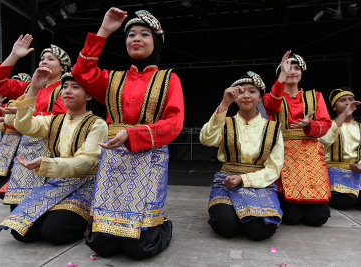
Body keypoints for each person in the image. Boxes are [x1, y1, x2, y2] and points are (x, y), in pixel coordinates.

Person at [72, 8, 184, 259]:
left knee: (138, 248)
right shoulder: (112, 79)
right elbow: (82, 73)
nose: (136, 38)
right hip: (114, 158)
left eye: (145, 34)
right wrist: (104, 31)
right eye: (131, 34)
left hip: (149, 157)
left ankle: (163, 225)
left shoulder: (169, 79)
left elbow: (174, 123)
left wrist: (134, 135)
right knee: (102, 245)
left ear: (156, 42)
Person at [0, 70, 107, 245]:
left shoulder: (97, 124)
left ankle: (85, 221)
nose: (67, 91)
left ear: (88, 96)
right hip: (55, 184)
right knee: (21, 233)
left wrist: (47, 164)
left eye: (75, 87)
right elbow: (24, 125)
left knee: (55, 233)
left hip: (83, 185)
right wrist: (33, 88)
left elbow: (85, 162)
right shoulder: (54, 120)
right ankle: (55, 215)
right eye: (64, 87)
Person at [200, 72, 284, 240]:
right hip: (227, 182)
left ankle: (244, 218)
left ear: (260, 97)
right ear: (235, 97)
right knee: (226, 227)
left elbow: (274, 168)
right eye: (241, 91)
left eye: (252, 91)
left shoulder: (273, 128)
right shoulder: (225, 122)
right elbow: (206, 139)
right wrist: (224, 103)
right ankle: (238, 216)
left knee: (260, 232)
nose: (246, 95)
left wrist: (243, 179)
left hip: (259, 184)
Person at [0, 34, 69, 205]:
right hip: (26, 151)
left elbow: (58, 119)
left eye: (51, 59)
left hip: (50, 151)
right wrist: (13, 56)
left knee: (39, 207)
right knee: (16, 206)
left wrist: (22, 112)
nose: (44, 61)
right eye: (42, 59)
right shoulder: (29, 88)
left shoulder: (66, 89)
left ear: (62, 67)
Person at [263, 51, 332, 226]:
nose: (292, 71)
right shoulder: (271, 98)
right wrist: (281, 78)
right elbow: (272, 105)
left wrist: (310, 125)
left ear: (302, 71)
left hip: (310, 155)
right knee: (291, 218)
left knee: (318, 218)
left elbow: (325, 125)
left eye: (296, 68)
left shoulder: (315, 96)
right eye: (287, 69)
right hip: (284, 154)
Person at [319, 88, 361, 210]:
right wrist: (344, 115)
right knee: (344, 202)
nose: (348, 102)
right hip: (334, 172)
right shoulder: (327, 126)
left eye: (351, 99)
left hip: (357, 171)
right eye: (343, 100)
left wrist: (359, 165)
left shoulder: (359, 126)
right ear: (334, 107)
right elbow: (325, 141)